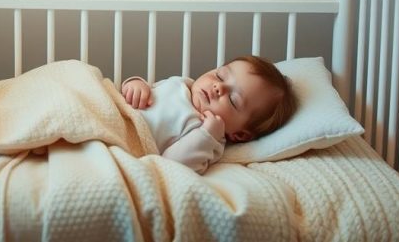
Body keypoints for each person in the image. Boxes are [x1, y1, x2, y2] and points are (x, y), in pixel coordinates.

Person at [120, 55, 297, 174]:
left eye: (233, 100)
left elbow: (172, 165)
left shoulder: (208, 138)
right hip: (111, 106)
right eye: (220, 76)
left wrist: (207, 134)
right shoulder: (181, 83)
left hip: (123, 139)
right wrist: (136, 84)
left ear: (240, 134)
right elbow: (143, 91)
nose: (219, 87)